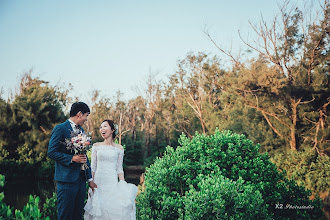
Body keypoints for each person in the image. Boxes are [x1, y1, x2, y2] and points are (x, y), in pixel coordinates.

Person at [48, 102, 97, 220]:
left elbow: (84, 156)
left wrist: (89, 179)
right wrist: (72, 158)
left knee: (77, 216)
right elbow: (51, 152)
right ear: (79, 114)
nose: (86, 119)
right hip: (66, 182)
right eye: (86, 115)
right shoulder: (60, 129)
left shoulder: (82, 131)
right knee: (65, 215)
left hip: (81, 181)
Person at [84, 120, 138, 220]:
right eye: (100, 127)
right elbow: (93, 166)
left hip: (112, 182)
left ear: (112, 130)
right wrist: (90, 182)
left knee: (113, 209)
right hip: (98, 183)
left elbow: (119, 168)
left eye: (105, 126)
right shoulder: (96, 146)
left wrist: (122, 184)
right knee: (98, 210)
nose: (102, 129)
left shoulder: (119, 148)